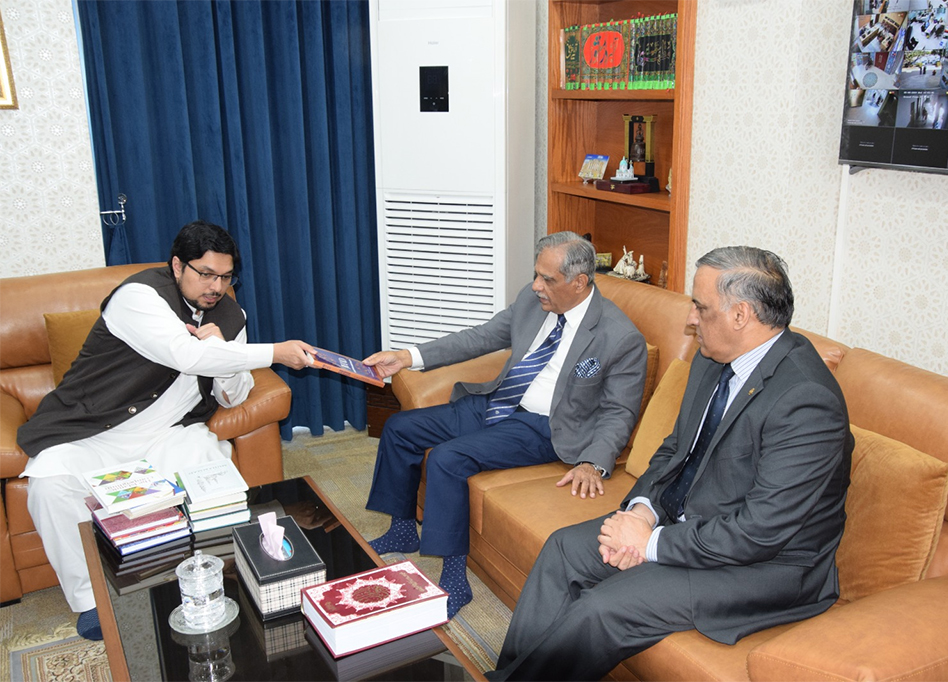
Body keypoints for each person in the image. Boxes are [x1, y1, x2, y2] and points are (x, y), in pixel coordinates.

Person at [488, 246, 854, 681]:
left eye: (701, 307)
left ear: (741, 315)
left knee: (604, 607)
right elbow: (676, 448)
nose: (691, 319)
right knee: (563, 549)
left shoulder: (806, 401)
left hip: (766, 565)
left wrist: (650, 544)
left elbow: (760, 531)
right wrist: (642, 510)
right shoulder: (712, 358)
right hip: (688, 522)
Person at [17, 220, 316, 641]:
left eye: (226, 277)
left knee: (216, 480)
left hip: (171, 432)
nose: (216, 287)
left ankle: (221, 574)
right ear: (177, 266)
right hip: (96, 430)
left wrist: (223, 350)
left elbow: (233, 395)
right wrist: (274, 352)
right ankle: (92, 601)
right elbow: (184, 355)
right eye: (206, 274)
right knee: (49, 485)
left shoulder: (232, 316)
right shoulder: (138, 297)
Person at [362, 231, 647, 619]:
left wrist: (593, 462)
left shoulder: (620, 337)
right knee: (400, 429)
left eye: (547, 279)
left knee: (448, 459)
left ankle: (454, 578)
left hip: (545, 427)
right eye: (536, 274)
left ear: (579, 282)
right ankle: (402, 529)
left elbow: (619, 411)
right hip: (499, 401)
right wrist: (407, 356)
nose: (536, 286)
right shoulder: (533, 301)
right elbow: (480, 338)